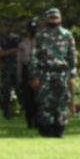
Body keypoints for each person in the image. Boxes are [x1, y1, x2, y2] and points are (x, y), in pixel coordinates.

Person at [30, 8, 76, 137]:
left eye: (56, 18)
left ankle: (60, 128)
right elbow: (35, 56)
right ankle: (46, 129)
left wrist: (72, 74)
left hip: (62, 73)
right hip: (45, 73)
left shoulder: (67, 35)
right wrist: (34, 75)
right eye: (51, 18)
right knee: (45, 102)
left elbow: (72, 56)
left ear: (60, 19)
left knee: (61, 102)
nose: (53, 20)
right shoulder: (40, 35)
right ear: (46, 19)